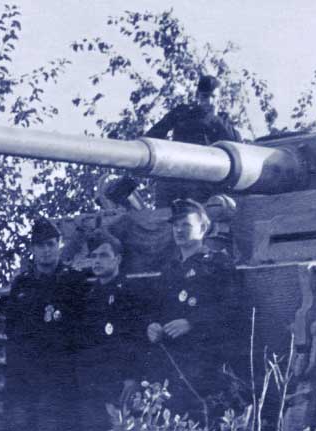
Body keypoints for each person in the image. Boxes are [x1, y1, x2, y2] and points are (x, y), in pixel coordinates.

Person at [147, 199, 238, 423]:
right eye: (175, 225)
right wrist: (152, 325)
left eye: (185, 225)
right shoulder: (169, 269)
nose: (178, 230)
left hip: (205, 362)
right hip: (171, 362)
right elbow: (155, 307)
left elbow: (233, 309)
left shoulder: (218, 264)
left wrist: (192, 322)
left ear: (203, 228)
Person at [4, 217, 88, 431]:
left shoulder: (74, 282)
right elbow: (11, 331)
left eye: (51, 244)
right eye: (41, 245)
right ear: (33, 249)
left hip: (61, 374)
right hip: (27, 374)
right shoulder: (21, 284)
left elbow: (83, 330)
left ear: (59, 245)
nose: (46, 251)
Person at [76, 230, 151, 430]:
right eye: (94, 256)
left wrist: (132, 377)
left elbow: (138, 338)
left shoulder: (130, 292)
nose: (97, 261)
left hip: (119, 381)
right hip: (92, 382)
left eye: (104, 255)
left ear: (117, 259)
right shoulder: (89, 295)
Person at [144, 75, 242, 206]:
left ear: (219, 98)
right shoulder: (182, 113)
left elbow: (238, 145)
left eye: (213, 97)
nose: (209, 101)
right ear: (198, 96)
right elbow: (153, 134)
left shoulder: (221, 122)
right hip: (175, 174)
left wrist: (214, 119)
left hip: (203, 179)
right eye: (205, 97)